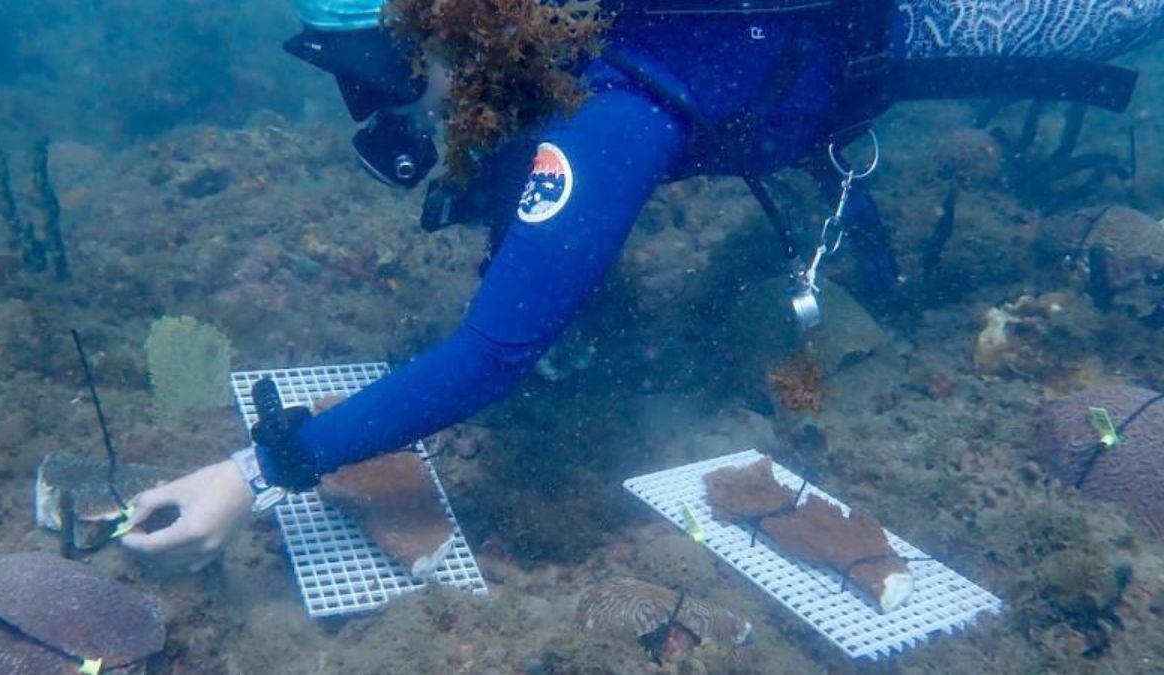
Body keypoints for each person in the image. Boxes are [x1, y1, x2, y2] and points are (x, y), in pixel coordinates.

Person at [121, 0, 1162, 570]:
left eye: (385, 73)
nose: (378, 106)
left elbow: (493, 354)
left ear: (448, 30)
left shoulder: (607, 109)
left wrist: (262, 471)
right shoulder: (553, 49)